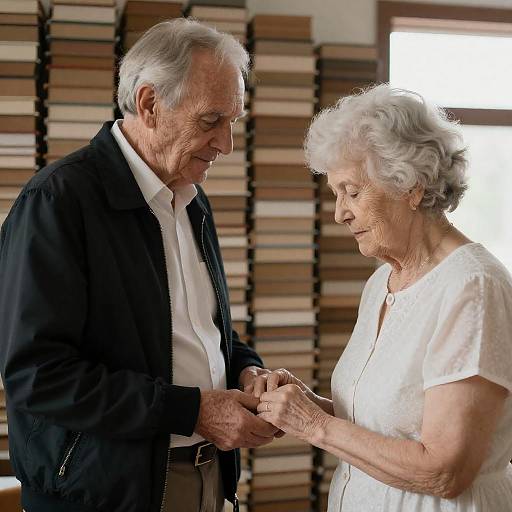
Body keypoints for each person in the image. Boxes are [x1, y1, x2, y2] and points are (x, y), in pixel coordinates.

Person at [0, 19, 278, 512]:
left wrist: (246, 370)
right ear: (149, 104)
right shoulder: (58, 200)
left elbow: (201, 332)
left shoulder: (191, 200)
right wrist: (193, 411)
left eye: (233, 121)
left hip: (208, 474)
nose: (226, 144)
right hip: (102, 494)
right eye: (211, 120)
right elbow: (38, 375)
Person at [249, 84, 512, 511]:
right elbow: (386, 425)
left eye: (352, 192)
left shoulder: (473, 288)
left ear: (410, 186)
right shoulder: (382, 284)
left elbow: (445, 470)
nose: (340, 213)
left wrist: (314, 424)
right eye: (336, 193)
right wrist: (302, 403)